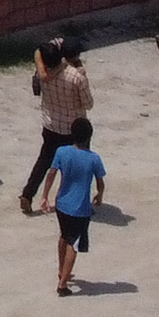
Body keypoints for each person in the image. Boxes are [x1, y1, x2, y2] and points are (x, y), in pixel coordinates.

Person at [17, 38, 93, 214]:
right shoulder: (77, 77)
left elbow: (41, 50)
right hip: (74, 129)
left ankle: (28, 194)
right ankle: (77, 201)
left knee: (43, 161)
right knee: (78, 166)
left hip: (51, 124)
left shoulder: (43, 73)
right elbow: (88, 104)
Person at [48, 119, 107, 295]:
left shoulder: (61, 151)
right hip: (80, 209)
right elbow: (100, 183)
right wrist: (99, 196)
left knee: (64, 236)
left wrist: (44, 196)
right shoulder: (94, 159)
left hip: (61, 204)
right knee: (73, 244)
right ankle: (63, 284)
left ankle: (61, 270)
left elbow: (51, 174)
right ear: (89, 136)